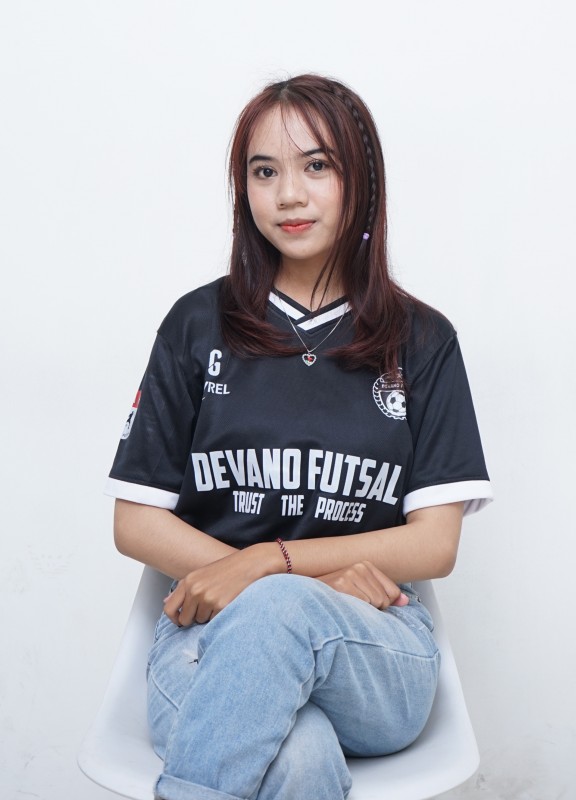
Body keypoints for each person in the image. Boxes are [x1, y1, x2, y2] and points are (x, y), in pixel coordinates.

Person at [106, 73, 492, 800]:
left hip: (373, 645)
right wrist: (281, 580)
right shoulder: (196, 324)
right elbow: (136, 521)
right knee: (298, 755)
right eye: (264, 172)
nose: (288, 194)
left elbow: (434, 546)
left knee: (279, 608)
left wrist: (270, 569)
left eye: (316, 166)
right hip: (206, 637)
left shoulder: (422, 340)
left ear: (361, 181)